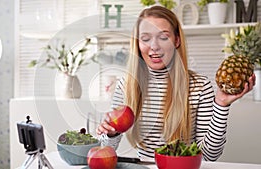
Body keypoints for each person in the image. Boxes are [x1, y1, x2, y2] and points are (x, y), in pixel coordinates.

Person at [96, 5, 256, 162]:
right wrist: (110, 133)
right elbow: (106, 148)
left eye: (164, 37)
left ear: (177, 40)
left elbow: (209, 156)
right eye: (145, 39)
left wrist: (221, 105)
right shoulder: (126, 86)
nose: (154, 46)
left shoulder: (199, 86)